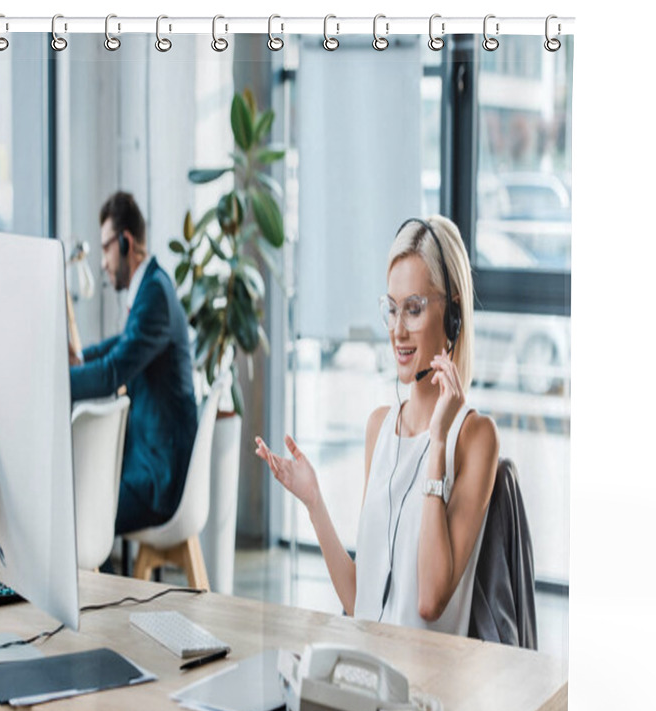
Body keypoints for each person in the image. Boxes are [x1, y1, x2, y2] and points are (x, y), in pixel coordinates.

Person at [256, 216, 498, 635]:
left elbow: (429, 601)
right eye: (392, 308)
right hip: (368, 670)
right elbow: (360, 602)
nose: (398, 330)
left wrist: (437, 443)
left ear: (454, 314)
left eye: (415, 309)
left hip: (425, 691)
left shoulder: (474, 438)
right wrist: (314, 502)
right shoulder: (380, 428)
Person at [70, 191, 198, 542]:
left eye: (106, 248)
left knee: (77, 518)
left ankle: (98, 593)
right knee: (78, 506)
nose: (103, 263)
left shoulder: (154, 294)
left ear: (125, 242)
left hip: (158, 478)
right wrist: (81, 359)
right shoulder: (153, 286)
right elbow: (121, 345)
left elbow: (114, 372)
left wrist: (57, 382)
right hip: (149, 462)